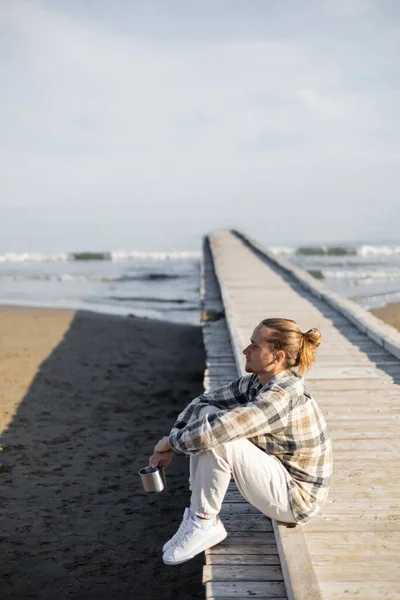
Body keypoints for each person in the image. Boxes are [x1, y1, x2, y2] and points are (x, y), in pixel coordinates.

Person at [149, 318, 333, 566]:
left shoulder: (280, 396)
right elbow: (203, 402)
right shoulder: (259, 382)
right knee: (209, 414)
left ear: (277, 357)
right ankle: (197, 511)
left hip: (297, 500)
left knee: (221, 437)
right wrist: (174, 434)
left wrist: (171, 445)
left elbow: (220, 430)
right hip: (278, 473)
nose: (245, 350)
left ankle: (204, 522)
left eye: (255, 346)